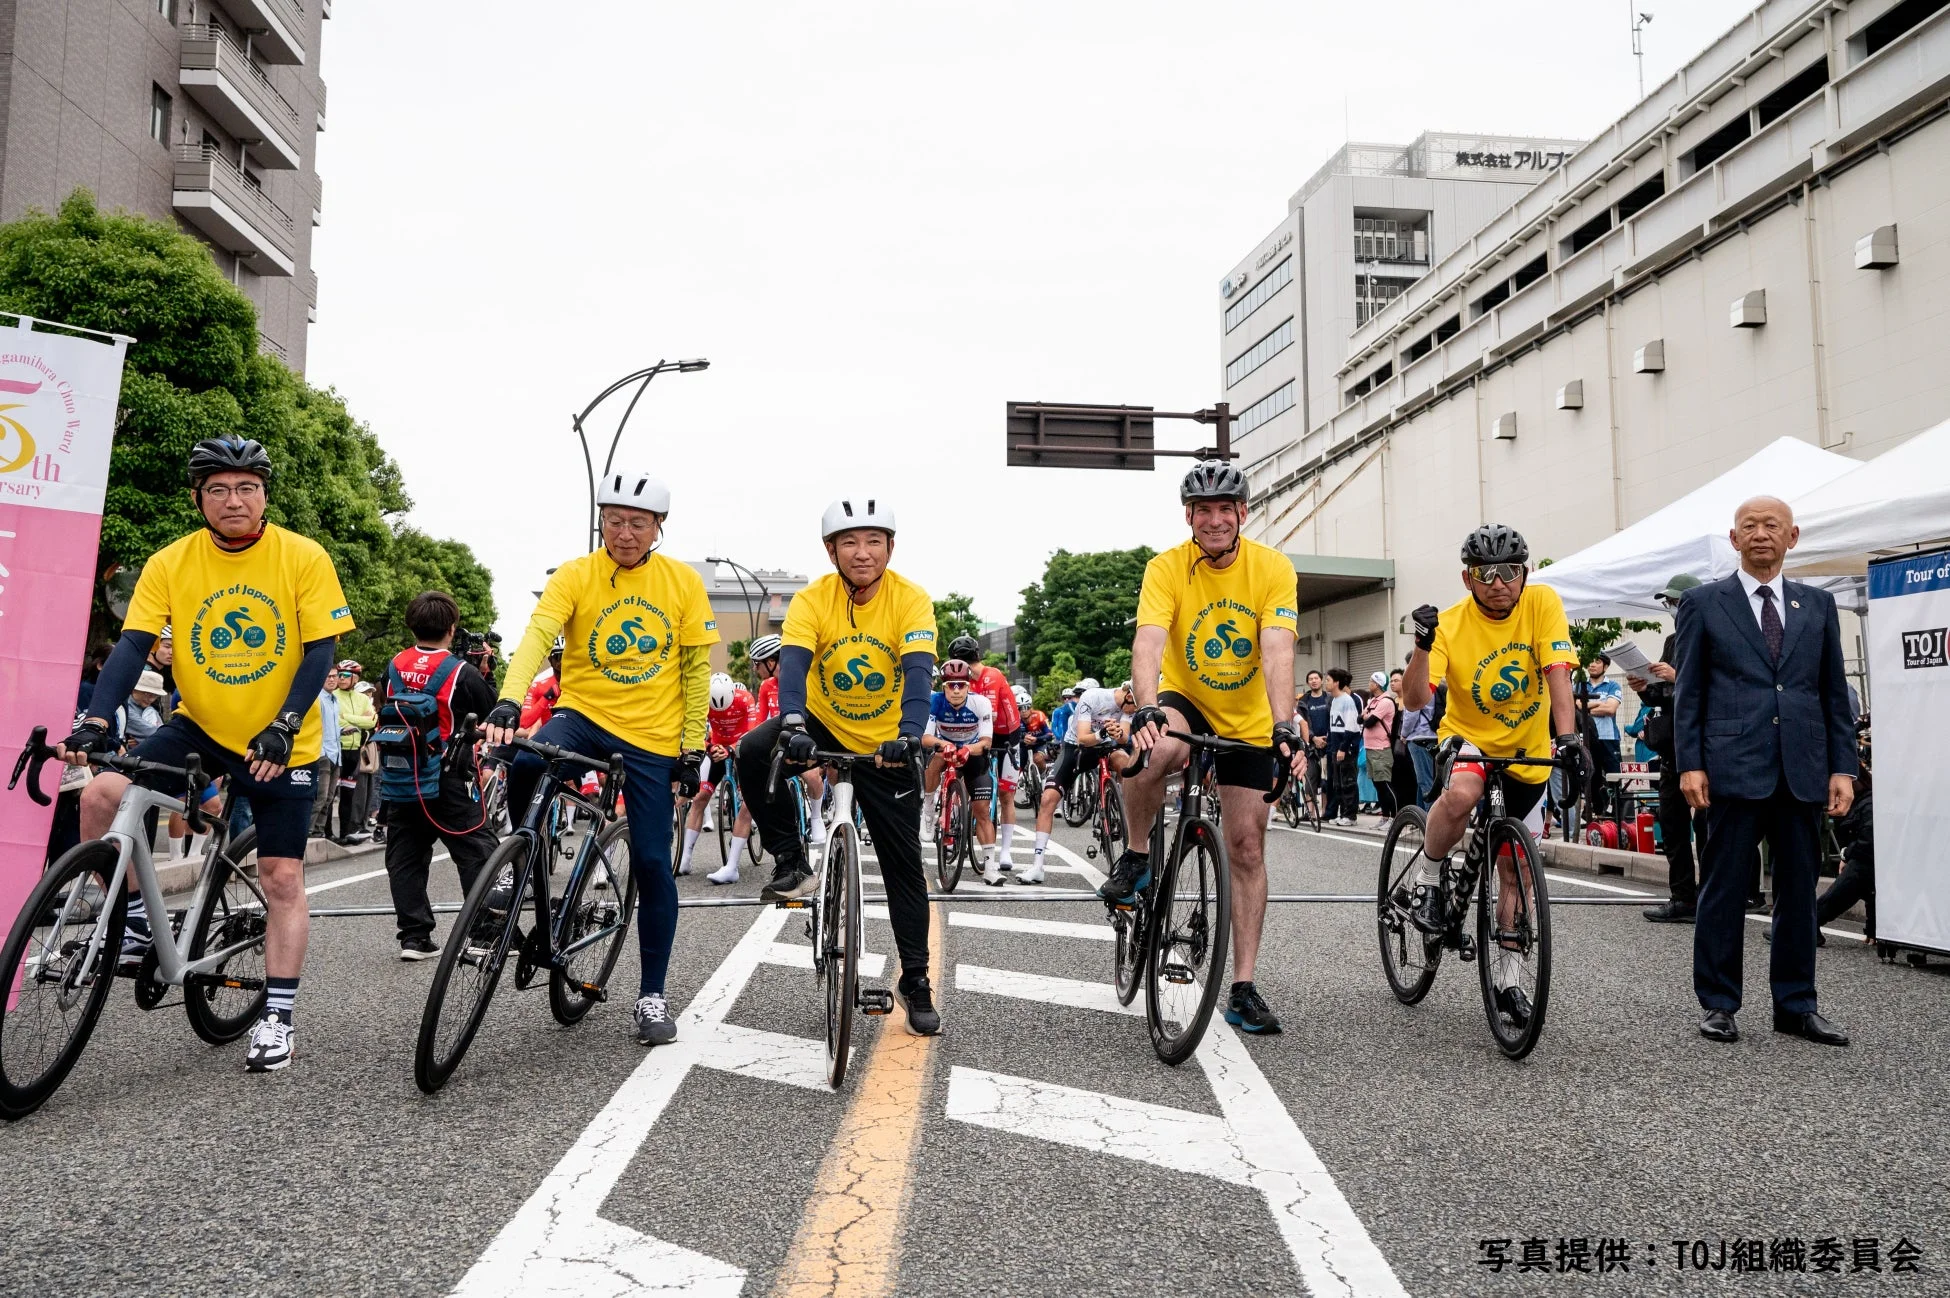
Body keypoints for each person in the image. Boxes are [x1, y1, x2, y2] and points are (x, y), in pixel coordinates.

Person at [61, 435, 352, 1072]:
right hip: (200, 727)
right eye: (218, 489)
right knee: (103, 795)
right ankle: (135, 923)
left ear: (265, 495)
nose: (233, 500)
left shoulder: (303, 556)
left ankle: (277, 1016)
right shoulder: (171, 561)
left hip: (282, 739)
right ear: (199, 499)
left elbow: (320, 652)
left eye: (247, 488)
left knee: (282, 878)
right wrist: (94, 720)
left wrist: (284, 724)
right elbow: (133, 645)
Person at [484, 471, 716, 1048]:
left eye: (638, 524)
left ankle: (652, 994)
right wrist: (510, 699)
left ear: (658, 527)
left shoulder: (683, 582)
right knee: (527, 763)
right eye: (614, 521)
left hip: (653, 736)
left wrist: (691, 747)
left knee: (654, 864)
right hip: (584, 715)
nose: (625, 533)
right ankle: (524, 860)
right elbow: (538, 634)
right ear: (601, 523)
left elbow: (695, 672)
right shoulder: (575, 574)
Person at [733, 495, 942, 1034]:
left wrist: (910, 735)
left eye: (874, 541)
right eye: (849, 542)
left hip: (888, 741)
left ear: (890, 548)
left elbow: (919, 673)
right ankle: (790, 861)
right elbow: (794, 665)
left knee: (904, 868)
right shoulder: (812, 599)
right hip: (822, 722)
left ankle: (915, 979)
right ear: (831, 552)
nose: (862, 552)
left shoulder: (911, 600)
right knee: (753, 750)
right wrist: (794, 723)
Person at [1112, 460, 1305, 1036]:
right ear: (1189, 516)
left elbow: (1277, 650)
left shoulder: (1273, 568)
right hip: (1187, 697)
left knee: (1246, 847)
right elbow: (1149, 642)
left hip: (1250, 718)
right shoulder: (1166, 567)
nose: (1215, 520)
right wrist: (1147, 706)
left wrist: (1285, 724)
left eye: (1226, 509)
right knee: (1155, 747)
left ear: (1243, 513)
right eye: (1203, 510)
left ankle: (1242, 988)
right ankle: (1138, 856)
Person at [1675, 496, 1857, 1048]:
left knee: (1799, 890)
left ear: (1791, 537)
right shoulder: (1703, 603)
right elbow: (1689, 692)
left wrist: (1843, 768)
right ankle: (1719, 1002)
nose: (1760, 534)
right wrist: (1691, 763)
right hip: (1730, 766)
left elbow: (1832, 693)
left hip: (1802, 767)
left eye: (1771, 525)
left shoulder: (1818, 605)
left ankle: (1796, 1005)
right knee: (1724, 888)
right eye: (1749, 526)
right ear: (1734, 539)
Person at [1399, 523, 1584, 1028]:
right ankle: (1429, 877)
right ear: (1468, 578)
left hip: (1527, 749)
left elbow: (1558, 672)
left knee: (1515, 871)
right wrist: (1422, 646)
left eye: (1510, 572)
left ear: (1525, 572)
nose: (1499, 583)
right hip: (1469, 739)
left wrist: (1569, 739)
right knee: (1463, 792)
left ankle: (1509, 981)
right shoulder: (1450, 623)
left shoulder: (1541, 602)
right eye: (1485, 574)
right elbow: (1414, 701)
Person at [377, 590, 501, 960]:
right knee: (477, 851)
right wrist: (486, 672)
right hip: (449, 774)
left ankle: (414, 938)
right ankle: (484, 936)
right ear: (452, 629)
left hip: (404, 773)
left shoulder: (394, 665)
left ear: (411, 625)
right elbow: (490, 711)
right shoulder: (461, 671)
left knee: (405, 856)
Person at [1637, 573, 1706, 923]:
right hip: (1671, 748)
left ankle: (1714, 896)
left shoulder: (1712, 636)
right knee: (1674, 826)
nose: (1672, 608)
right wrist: (1643, 686)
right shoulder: (1672, 641)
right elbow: (1661, 696)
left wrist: (1677, 677)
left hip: (1706, 749)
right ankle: (1683, 897)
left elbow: (1718, 688)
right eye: (1670, 603)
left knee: (1708, 827)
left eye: (1676, 602)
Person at [1030, 678, 1135, 882]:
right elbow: (1083, 738)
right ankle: (1037, 865)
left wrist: (1118, 732)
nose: (1135, 712)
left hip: (1106, 748)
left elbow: (1123, 738)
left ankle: (1122, 806)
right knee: (1048, 799)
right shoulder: (1093, 697)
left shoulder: (1129, 706)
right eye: (1135, 707)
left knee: (1125, 762)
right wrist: (1103, 732)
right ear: (1129, 696)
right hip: (1077, 748)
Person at [947, 634, 1023, 872]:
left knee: (1006, 794)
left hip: (1004, 736)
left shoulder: (992, 676)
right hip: (977, 734)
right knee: (963, 778)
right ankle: (954, 822)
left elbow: (1000, 712)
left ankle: (1005, 851)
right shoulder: (960, 681)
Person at [746, 633, 827, 849]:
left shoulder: (803, 678)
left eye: (757, 664)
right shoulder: (766, 686)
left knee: (812, 775)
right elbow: (760, 719)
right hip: (776, 737)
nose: (755, 669)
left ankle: (817, 817)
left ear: (771, 662)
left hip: (804, 735)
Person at [921, 658, 999, 880]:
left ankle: (990, 868)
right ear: (944, 687)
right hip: (944, 750)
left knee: (982, 810)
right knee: (936, 759)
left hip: (972, 753)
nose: (956, 690)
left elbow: (986, 741)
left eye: (961, 685)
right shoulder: (934, 701)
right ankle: (928, 809)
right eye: (951, 686)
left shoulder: (980, 703)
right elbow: (925, 738)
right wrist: (943, 744)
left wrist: (967, 749)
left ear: (968, 686)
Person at [682, 673, 757, 881]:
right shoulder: (703, 701)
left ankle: (735, 857)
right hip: (716, 748)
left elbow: (753, 731)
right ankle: (685, 858)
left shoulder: (745, 698)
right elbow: (695, 733)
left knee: (748, 802)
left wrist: (731, 748)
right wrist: (710, 747)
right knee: (699, 798)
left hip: (742, 747)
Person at [332, 662, 376, 845]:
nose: (340, 678)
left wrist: (348, 718)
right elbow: (335, 721)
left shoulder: (362, 699)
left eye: (345, 675)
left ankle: (345, 833)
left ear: (355, 678)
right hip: (337, 750)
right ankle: (327, 833)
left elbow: (372, 721)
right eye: (339, 675)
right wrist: (359, 720)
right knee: (330, 796)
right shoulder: (333, 696)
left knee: (348, 795)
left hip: (354, 750)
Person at [1583, 653, 1624, 814]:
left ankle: (1617, 814)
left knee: (1614, 777)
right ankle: (1597, 813)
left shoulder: (1613, 685)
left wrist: (1586, 707)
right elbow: (1575, 705)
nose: (1592, 664)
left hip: (1609, 738)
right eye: (1590, 661)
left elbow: (1611, 709)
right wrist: (1600, 703)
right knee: (1592, 778)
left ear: (1605, 666)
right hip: (1588, 739)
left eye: (1597, 661)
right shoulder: (1580, 686)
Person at [309, 666, 342, 840]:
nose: (332, 679)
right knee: (320, 797)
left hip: (336, 754)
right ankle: (307, 831)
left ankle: (318, 831)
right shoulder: (318, 699)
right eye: (328, 676)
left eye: (335, 676)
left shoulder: (334, 699)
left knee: (329, 798)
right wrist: (321, 753)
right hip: (322, 753)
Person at [1325, 668, 1361, 825]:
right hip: (1335, 745)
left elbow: (1352, 726)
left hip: (1346, 747)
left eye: (1328, 680)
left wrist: (1343, 748)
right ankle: (1342, 813)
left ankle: (1350, 816)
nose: (1326, 682)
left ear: (1336, 683)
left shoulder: (1347, 700)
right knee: (1338, 783)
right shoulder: (1334, 700)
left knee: (1348, 781)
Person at [1361, 669, 1397, 820]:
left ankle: (1394, 817)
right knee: (1377, 785)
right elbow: (1359, 719)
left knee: (1384, 784)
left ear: (1377, 684)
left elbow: (1369, 722)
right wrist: (1365, 716)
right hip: (1370, 747)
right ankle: (1385, 817)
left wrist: (1366, 716)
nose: (1369, 683)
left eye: (1371, 681)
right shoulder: (1372, 701)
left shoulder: (1386, 701)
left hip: (1381, 748)